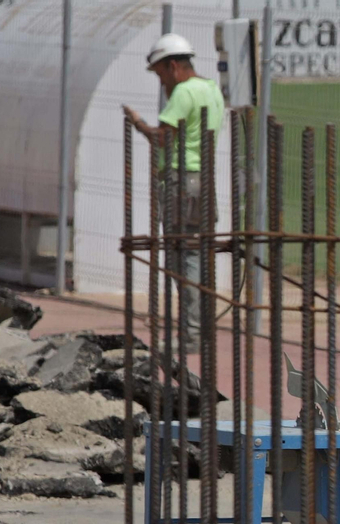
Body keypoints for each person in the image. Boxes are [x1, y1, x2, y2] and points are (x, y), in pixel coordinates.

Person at [125, 33, 226, 347]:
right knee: (197, 253)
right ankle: (200, 328)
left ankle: (192, 333)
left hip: (181, 181)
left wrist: (138, 123)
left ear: (172, 66)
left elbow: (163, 138)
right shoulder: (211, 89)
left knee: (183, 257)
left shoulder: (184, 92)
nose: (162, 83)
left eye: (161, 75)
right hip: (202, 180)